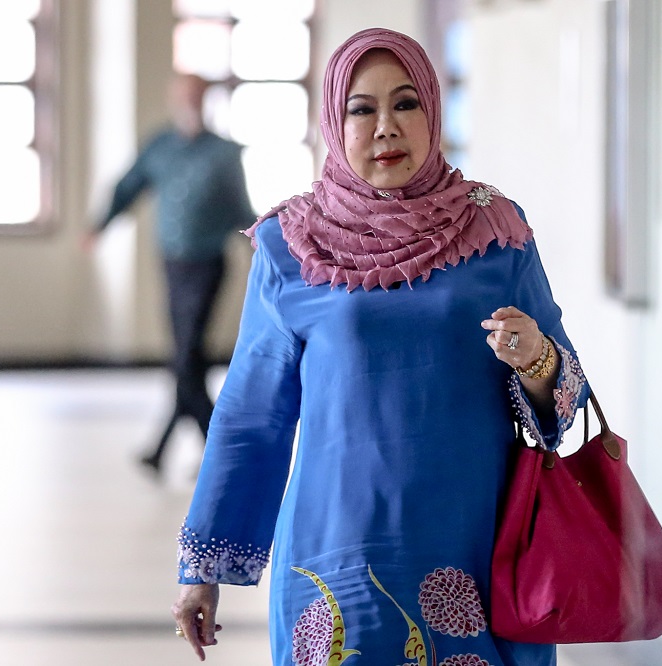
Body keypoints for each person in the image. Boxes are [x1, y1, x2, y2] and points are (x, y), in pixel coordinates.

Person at [170, 28, 590, 666]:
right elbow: (251, 415)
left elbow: (567, 395)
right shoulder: (291, 245)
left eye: (406, 103)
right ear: (334, 124)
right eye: (361, 109)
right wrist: (201, 567)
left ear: (434, 110)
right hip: (335, 552)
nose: (386, 127)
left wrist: (535, 358)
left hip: (475, 549)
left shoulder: (495, 232)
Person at [84, 73, 255, 475]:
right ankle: (171, 450)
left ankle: (217, 451)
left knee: (186, 356)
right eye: (183, 95)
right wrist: (100, 225)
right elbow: (128, 186)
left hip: (207, 265)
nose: (189, 102)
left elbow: (240, 209)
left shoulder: (223, 153)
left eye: (196, 96)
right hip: (172, 265)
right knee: (186, 360)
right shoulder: (160, 146)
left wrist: (267, 244)